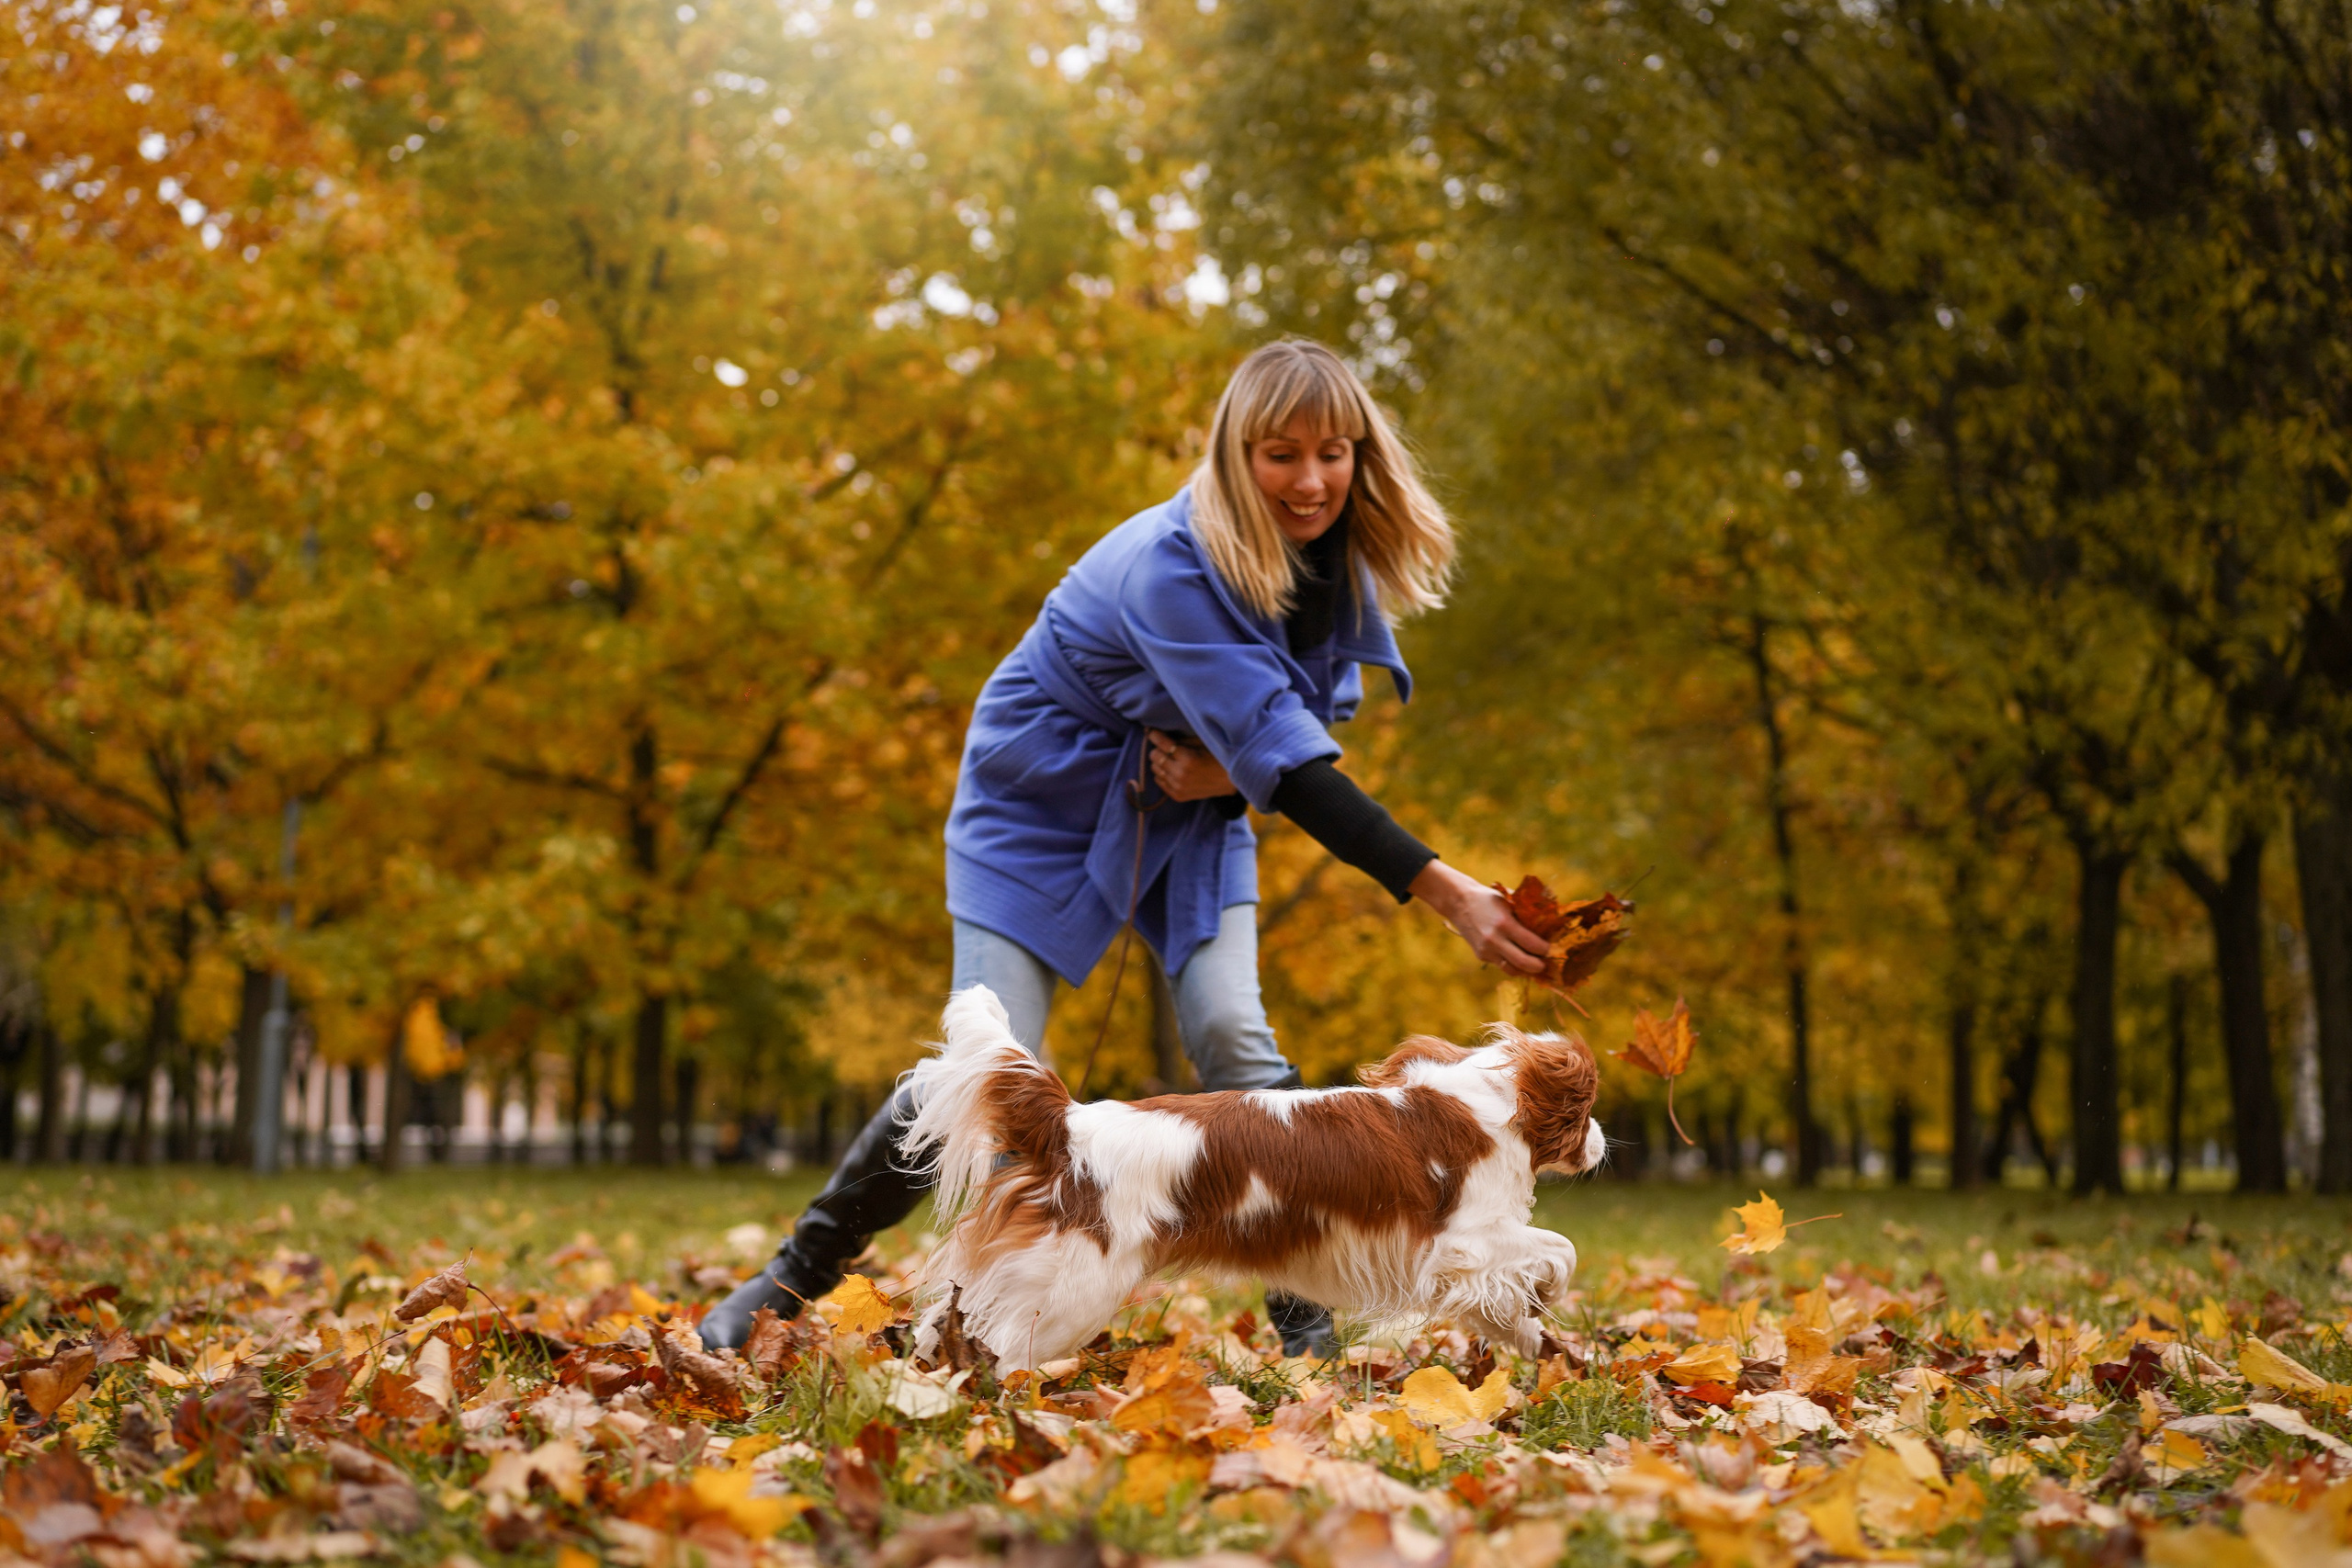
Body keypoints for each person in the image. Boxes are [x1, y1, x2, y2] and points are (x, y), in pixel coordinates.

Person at [700, 339, 1549, 1356]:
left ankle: (1304, 1323)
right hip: (1040, 804)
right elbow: (1291, 760)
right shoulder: (1169, 567)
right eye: (1281, 453)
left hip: (1190, 816)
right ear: (1236, 455)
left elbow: (1287, 738)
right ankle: (794, 1276)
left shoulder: (1334, 562)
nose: (1312, 479)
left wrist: (1225, 774)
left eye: (1335, 451)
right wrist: (1452, 895)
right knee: (993, 1056)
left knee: (1234, 1034)